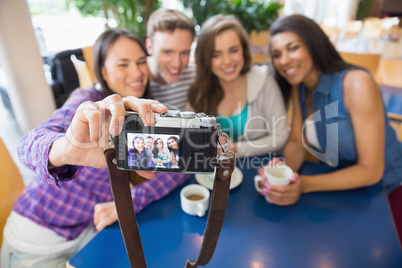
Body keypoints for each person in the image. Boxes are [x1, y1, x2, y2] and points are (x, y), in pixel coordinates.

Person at [0, 28, 190, 268]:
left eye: (141, 62)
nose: (137, 72)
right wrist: (65, 149)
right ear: (103, 71)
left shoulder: (140, 114)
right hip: (38, 238)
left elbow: (179, 166)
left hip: (89, 231)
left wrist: (133, 199)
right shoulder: (88, 102)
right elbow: (28, 145)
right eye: (123, 64)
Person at [256, 14, 402, 207]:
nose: (284, 60)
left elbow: (371, 170)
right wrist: (284, 174)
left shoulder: (357, 83)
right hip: (341, 190)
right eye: (277, 54)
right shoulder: (298, 84)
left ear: (314, 45)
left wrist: (303, 184)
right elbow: (296, 142)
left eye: (293, 48)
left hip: (388, 189)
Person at [187, 14, 289, 157]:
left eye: (233, 50)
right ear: (206, 59)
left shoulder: (264, 79)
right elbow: (192, 137)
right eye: (216, 55)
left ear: (244, 50)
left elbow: (281, 136)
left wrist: (236, 148)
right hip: (211, 172)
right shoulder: (200, 89)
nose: (227, 61)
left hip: (255, 168)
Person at [146, 8, 196, 111]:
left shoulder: (193, 75)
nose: (177, 64)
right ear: (149, 47)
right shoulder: (134, 79)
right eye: (167, 52)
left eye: (184, 53)